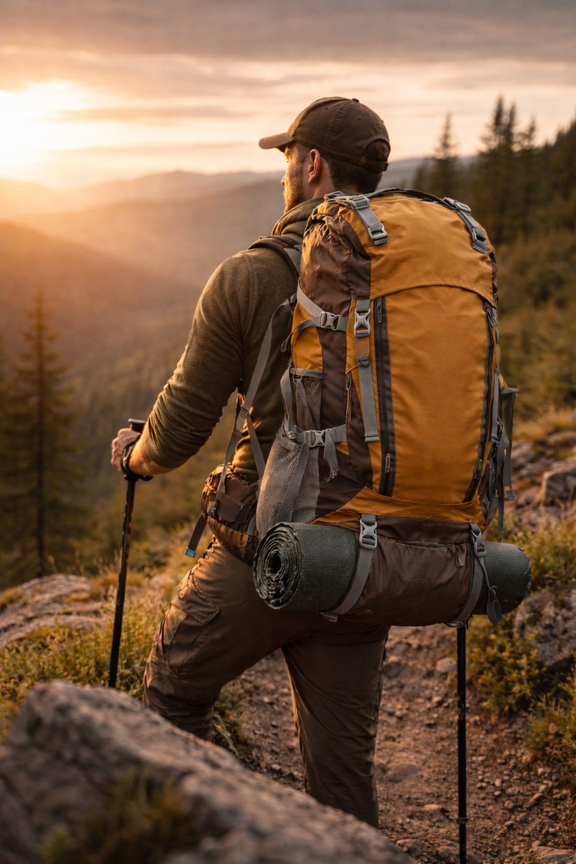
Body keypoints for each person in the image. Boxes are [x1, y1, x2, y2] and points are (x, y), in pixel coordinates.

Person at [111, 97, 391, 827]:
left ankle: (195, 840)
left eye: (288, 158)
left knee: (171, 694)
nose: (284, 171)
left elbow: (179, 429)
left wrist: (136, 458)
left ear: (312, 164)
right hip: (375, 553)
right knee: (342, 775)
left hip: (275, 548)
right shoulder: (409, 272)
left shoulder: (254, 274)